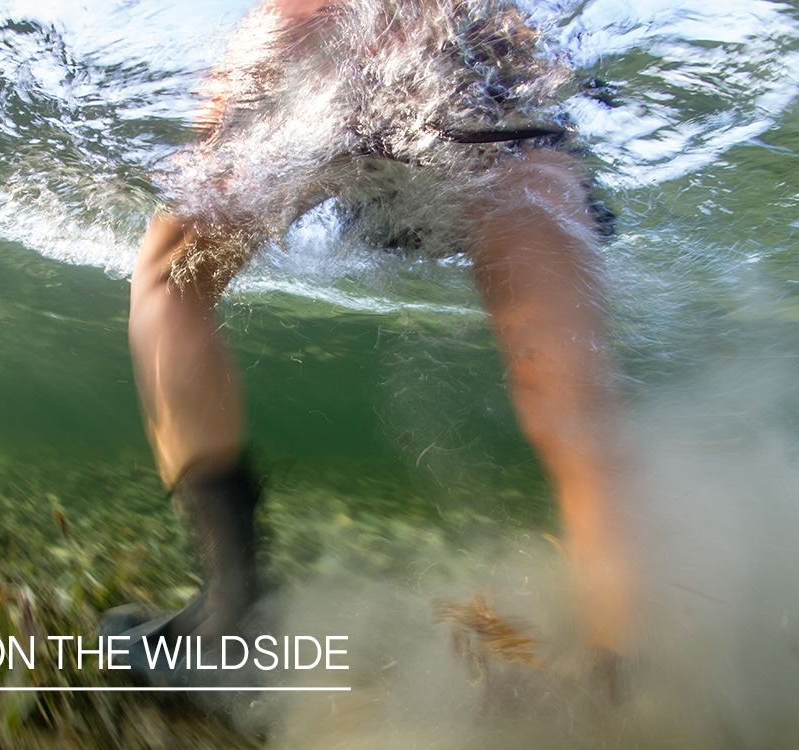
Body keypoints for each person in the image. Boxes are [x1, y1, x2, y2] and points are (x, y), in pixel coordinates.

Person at [116, 0, 634, 677]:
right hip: (496, 112)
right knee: (568, 393)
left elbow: (213, 142)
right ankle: (630, 672)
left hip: (358, 86)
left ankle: (230, 610)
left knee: (166, 278)